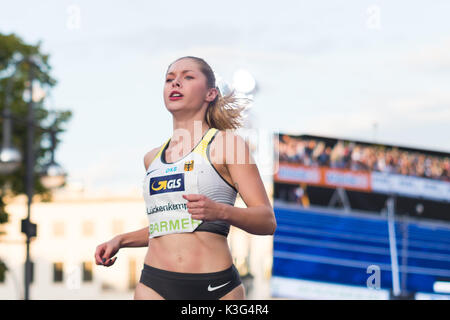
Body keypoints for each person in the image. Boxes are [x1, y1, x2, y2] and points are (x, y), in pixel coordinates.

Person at [94, 56, 277, 300]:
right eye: (169, 79)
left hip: (215, 285)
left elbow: (266, 221)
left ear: (210, 94)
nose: (175, 83)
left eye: (187, 77)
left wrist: (220, 212)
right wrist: (120, 240)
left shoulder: (228, 145)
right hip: (154, 283)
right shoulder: (152, 158)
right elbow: (169, 225)